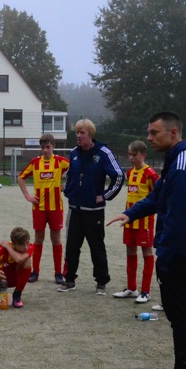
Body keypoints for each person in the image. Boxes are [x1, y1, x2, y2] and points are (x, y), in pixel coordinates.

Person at [107, 111, 186, 369]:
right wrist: (132, 213)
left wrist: (164, 254)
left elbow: (178, 219)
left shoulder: (181, 167)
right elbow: (157, 196)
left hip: (181, 251)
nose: (149, 138)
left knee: (180, 313)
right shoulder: (181, 159)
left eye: (154, 133)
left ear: (173, 133)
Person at [59, 118, 123, 294]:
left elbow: (118, 176)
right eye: (77, 133)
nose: (78, 136)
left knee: (97, 247)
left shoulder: (103, 153)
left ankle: (101, 282)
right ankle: (69, 279)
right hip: (75, 209)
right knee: (72, 246)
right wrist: (69, 190)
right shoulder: (73, 153)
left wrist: (105, 196)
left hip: (94, 211)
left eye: (82, 133)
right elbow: (71, 175)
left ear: (91, 135)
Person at [112, 140, 160, 305]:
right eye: (130, 154)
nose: (131, 157)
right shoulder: (130, 173)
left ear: (143, 155)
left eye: (135, 154)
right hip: (129, 220)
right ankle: (132, 288)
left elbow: (157, 198)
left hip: (145, 221)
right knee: (130, 251)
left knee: (147, 252)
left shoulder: (151, 174)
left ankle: (146, 291)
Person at [17, 133, 69, 283]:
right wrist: (27, 195)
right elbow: (20, 177)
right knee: (38, 239)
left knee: (56, 239)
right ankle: (35, 272)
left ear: (53, 147)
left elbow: (77, 171)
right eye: (42, 147)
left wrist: (66, 185)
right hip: (39, 207)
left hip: (55, 208)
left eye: (48, 147)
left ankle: (58, 273)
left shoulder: (60, 161)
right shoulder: (35, 162)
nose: (45, 150)